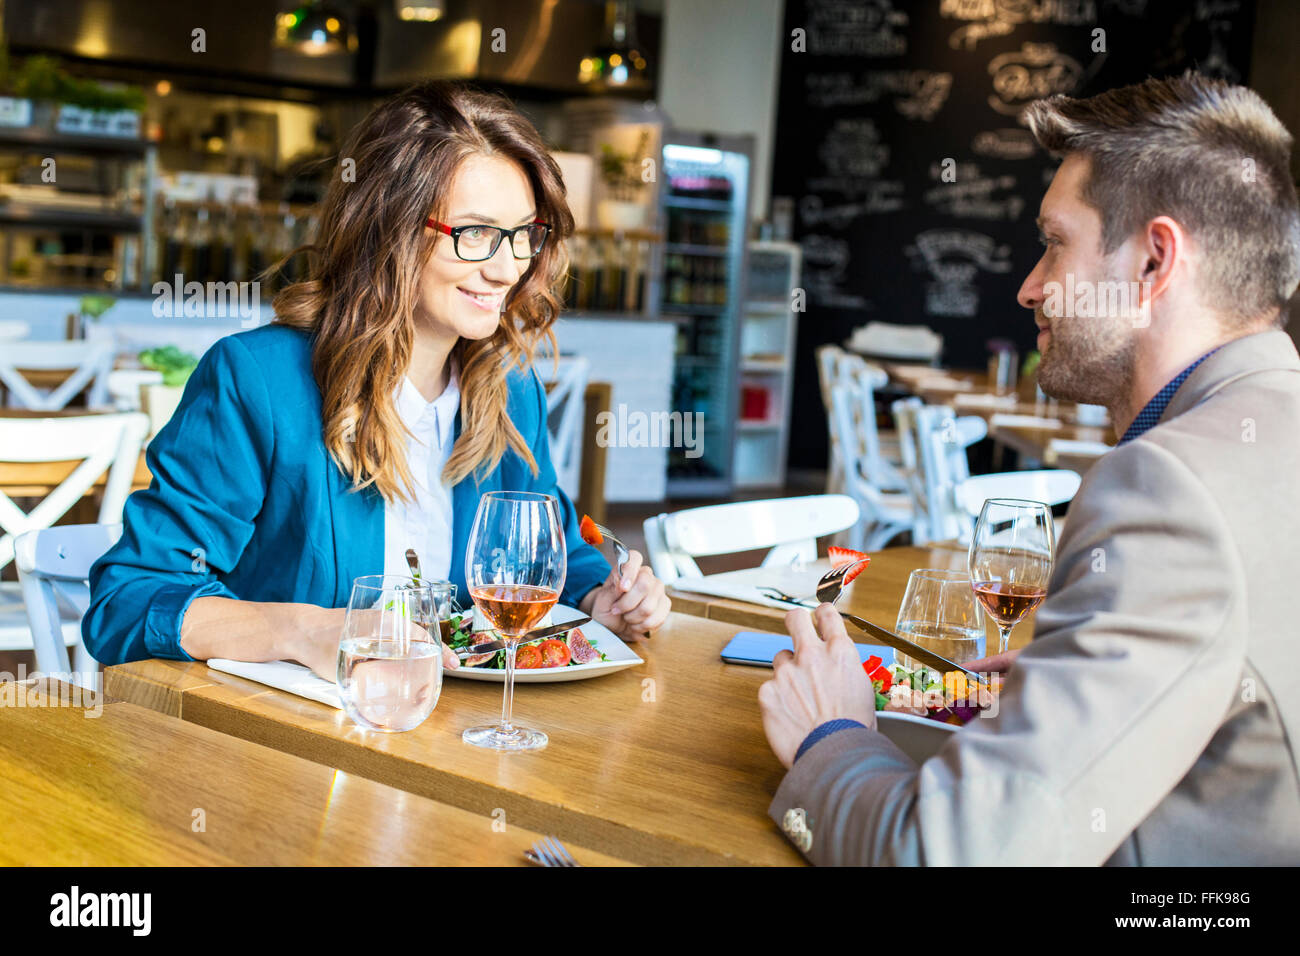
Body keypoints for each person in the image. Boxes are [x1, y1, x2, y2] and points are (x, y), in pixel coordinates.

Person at [759, 72, 1300, 865]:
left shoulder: (1168, 492)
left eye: (1054, 243)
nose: (1029, 286)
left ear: (1154, 263)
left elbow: (949, 855)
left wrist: (829, 735)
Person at [84, 82, 671, 679]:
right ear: (386, 230)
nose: (506, 267)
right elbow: (128, 601)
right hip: (283, 746)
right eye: (474, 234)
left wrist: (606, 601)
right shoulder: (259, 381)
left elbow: (559, 558)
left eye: (524, 234)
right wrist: (302, 629)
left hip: (450, 738)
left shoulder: (509, 395)